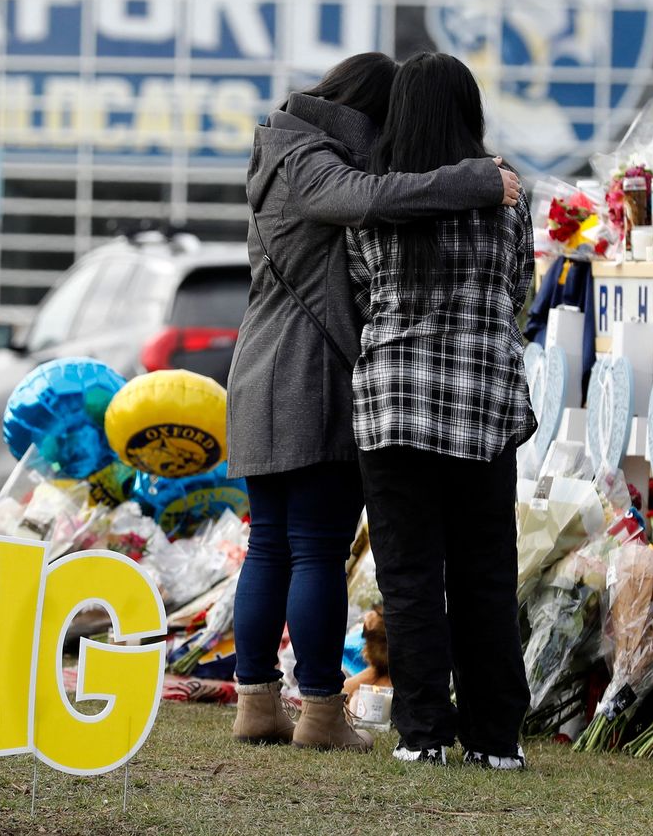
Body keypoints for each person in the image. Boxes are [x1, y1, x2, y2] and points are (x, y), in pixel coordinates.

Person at [226, 52, 519, 750]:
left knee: (273, 543)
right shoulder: (313, 163)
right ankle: (321, 711)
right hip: (312, 373)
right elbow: (371, 201)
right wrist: (481, 178)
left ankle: (258, 703)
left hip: (263, 368)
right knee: (317, 547)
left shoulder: (282, 148)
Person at [346, 52, 535, 770]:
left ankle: (422, 732)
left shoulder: (375, 197)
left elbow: (360, 288)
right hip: (482, 406)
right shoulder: (506, 192)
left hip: (393, 404)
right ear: (468, 111)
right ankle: (496, 738)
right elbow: (519, 288)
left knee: (410, 576)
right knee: (486, 572)